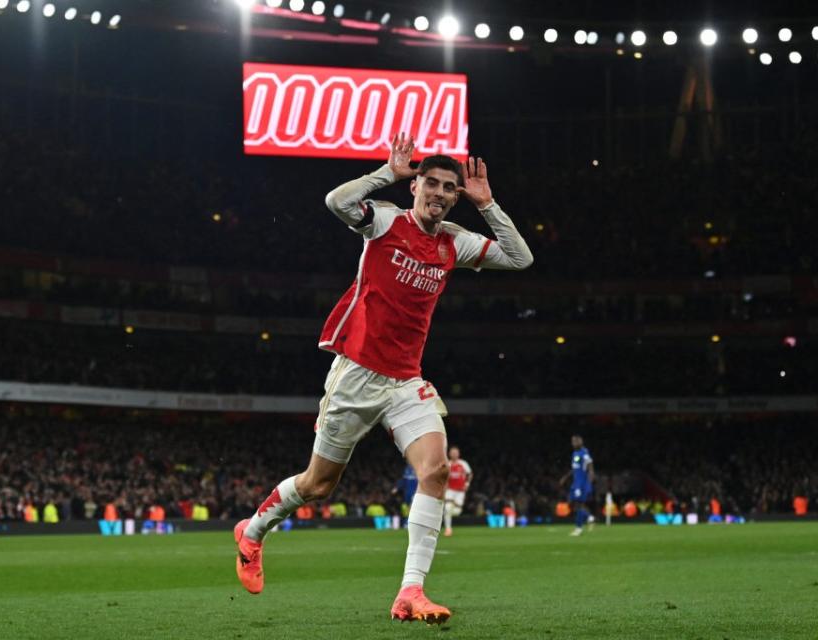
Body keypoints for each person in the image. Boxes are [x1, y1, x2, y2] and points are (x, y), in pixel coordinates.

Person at [232, 133, 533, 625]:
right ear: (416, 186)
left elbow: (521, 258)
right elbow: (335, 202)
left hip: (406, 382)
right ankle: (253, 532)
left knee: (434, 469)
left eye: (448, 187)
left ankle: (410, 591)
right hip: (357, 376)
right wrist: (387, 175)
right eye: (430, 182)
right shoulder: (387, 220)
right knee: (317, 485)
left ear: (458, 195)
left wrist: (489, 204)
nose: (438, 192)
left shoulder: (453, 242)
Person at [559, 435, 595, 537]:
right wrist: (565, 477)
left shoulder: (585, 453)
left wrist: (589, 483)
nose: (574, 443)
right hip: (575, 483)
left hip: (581, 483)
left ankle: (578, 528)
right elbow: (574, 468)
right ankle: (589, 517)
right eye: (573, 441)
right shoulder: (575, 453)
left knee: (578, 504)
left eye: (576, 441)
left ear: (581, 442)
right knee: (571, 503)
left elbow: (591, 468)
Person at [443, 446, 472, 537]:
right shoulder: (447, 464)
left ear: (458, 454)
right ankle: (448, 529)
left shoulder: (463, 463)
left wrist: (467, 484)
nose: (454, 454)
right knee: (447, 508)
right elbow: (443, 476)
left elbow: (470, 474)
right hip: (450, 490)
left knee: (457, 511)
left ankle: (451, 511)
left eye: (456, 452)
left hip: (460, 491)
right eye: (452, 452)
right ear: (449, 454)